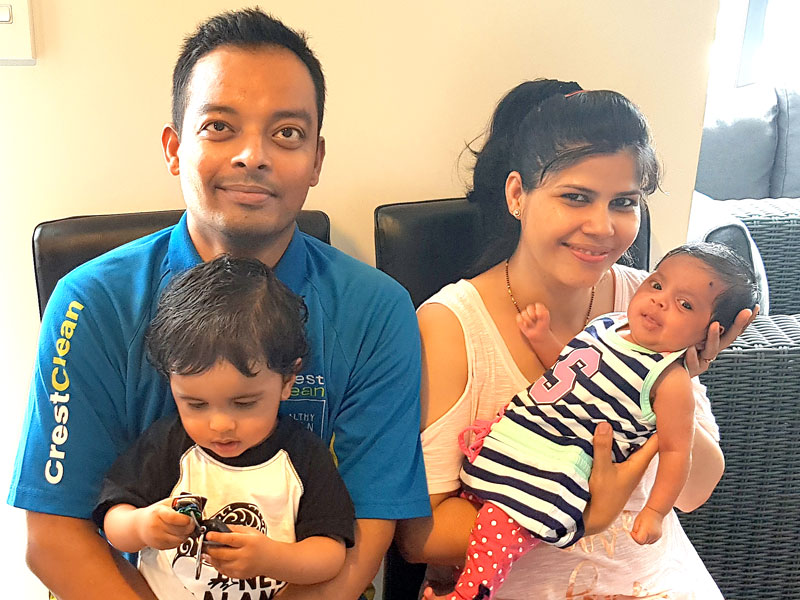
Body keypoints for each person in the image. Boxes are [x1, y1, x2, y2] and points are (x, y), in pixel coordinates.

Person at [8, 9, 429, 600]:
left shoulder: (378, 310)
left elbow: (366, 528)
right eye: (219, 127)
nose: (252, 155)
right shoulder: (92, 300)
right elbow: (54, 534)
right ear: (174, 148)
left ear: (316, 159)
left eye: (286, 133)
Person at [396, 80, 756, 599]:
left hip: (657, 577)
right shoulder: (453, 324)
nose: (602, 226)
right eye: (576, 197)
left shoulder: (652, 300)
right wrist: (585, 515)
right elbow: (420, 535)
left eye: (624, 202)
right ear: (518, 194)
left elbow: (693, 494)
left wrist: (674, 385)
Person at [434, 242, 758, 599]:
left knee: (503, 528)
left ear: (710, 331)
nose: (660, 301)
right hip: (525, 440)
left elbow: (677, 452)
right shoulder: (610, 324)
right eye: (657, 284)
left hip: (561, 476)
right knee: (487, 506)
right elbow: (569, 368)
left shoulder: (670, 380)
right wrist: (543, 337)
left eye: (685, 304)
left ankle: (468, 593)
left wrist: (654, 511)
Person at [93, 255, 356, 599]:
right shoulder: (167, 444)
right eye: (195, 404)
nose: (219, 425)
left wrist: (273, 558)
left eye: (245, 403)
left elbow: (331, 555)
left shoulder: (303, 455)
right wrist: (142, 525)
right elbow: (113, 522)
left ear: (288, 380)